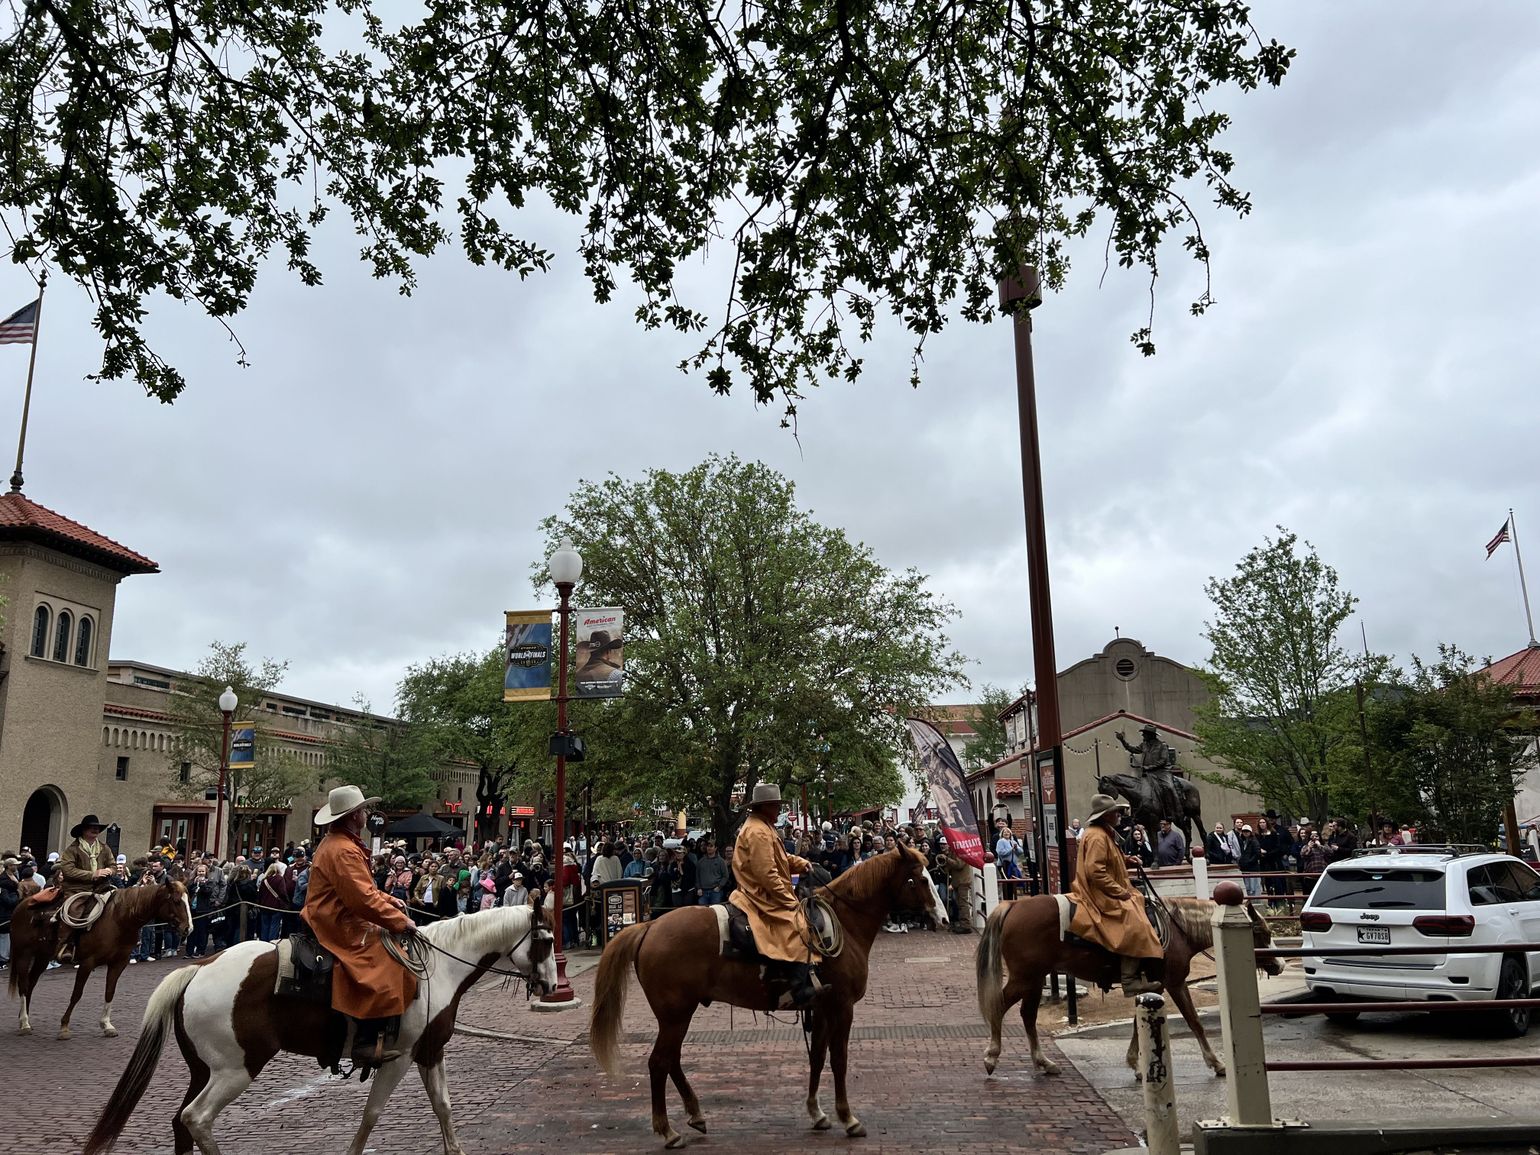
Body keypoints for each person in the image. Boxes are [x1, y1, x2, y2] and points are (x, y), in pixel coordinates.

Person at [302, 785, 418, 1069]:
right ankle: (366, 1040)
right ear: (354, 816)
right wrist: (401, 922)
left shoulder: (341, 844)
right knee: (384, 960)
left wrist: (392, 901)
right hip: (337, 923)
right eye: (363, 810)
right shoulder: (343, 850)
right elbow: (362, 900)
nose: (366, 813)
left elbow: (365, 890)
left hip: (339, 915)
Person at [728, 783, 829, 1008]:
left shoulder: (764, 826)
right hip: (761, 895)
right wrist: (788, 899)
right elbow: (767, 874)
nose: (777, 809)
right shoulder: (758, 831)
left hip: (765, 890)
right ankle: (798, 987)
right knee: (801, 924)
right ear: (765, 807)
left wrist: (802, 863)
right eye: (775, 805)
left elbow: (780, 859)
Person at [1067, 794, 1163, 996]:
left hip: (1107, 888)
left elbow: (1106, 861)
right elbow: (1095, 872)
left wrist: (1126, 860)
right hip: (1099, 893)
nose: (1119, 815)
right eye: (1115, 812)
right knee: (1137, 923)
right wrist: (1120, 892)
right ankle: (1130, 980)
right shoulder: (1097, 837)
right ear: (1106, 815)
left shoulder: (1102, 833)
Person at [52, 813, 117, 963]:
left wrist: (110, 871)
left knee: (120, 905)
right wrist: (92, 874)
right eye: (91, 827)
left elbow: (113, 865)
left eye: (97, 828)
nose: (95, 830)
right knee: (74, 910)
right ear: (84, 830)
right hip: (77, 888)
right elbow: (67, 870)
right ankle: (65, 945)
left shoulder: (104, 847)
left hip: (102, 887)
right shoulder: (72, 849)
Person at [696, 838, 729, 904]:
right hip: (703, 892)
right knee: (702, 912)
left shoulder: (721, 861)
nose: (709, 848)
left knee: (715, 911)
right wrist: (699, 888)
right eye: (708, 846)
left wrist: (719, 887)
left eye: (711, 846)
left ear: (715, 848)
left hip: (715, 891)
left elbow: (725, 876)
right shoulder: (701, 861)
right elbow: (697, 876)